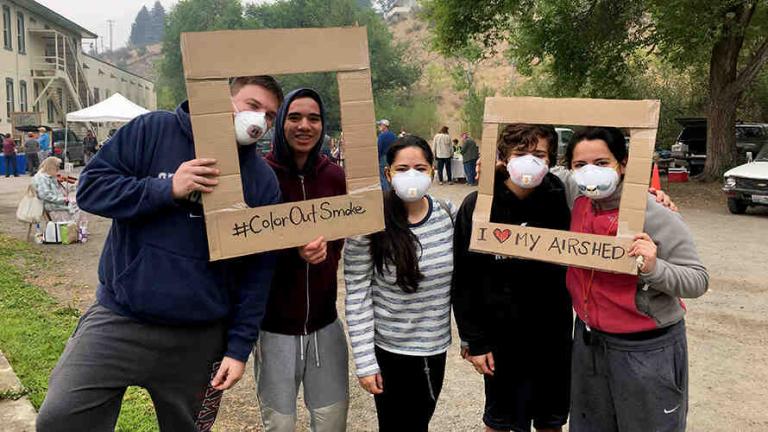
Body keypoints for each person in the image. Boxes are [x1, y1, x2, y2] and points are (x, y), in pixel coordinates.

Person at [36, 75, 284, 432]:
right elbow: (91, 189)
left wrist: (238, 346)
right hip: (121, 318)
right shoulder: (153, 130)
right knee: (61, 418)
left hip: (198, 335)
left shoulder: (261, 180)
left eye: (270, 116)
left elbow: (258, 272)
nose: (260, 121)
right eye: (253, 106)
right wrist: (166, 188)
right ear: (221, 100)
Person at [563, 127, 708, 432]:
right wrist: (493, 170)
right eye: (580, 165)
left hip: (646, 349)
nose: (590, 172)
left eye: (602, 163)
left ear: (623, 163)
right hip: (589, 342)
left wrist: (654, 268)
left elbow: (697, 280)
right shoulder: (576, 195)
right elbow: (531, 170)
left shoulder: (653, 212)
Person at [453, 124, 572, 432]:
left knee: (551, 421)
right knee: (500, 420)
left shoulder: (560, 196)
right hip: (500, 337)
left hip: (552, 336)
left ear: (551, 159)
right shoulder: (477, 205)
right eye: (520, 153)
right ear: (504, 158)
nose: (529, 161)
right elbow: (465, 277)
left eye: (538, 154)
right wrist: (474, 340)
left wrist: (651, 195)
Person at [345, 135, 455, 432]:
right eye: (402, 168)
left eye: (420, 168)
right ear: (388, 173)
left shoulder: (447, 215)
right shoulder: (369, 224)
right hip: (390, 352)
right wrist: (365, 362)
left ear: (433, 170)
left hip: (434, 350)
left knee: (419, 423)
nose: (412, 175)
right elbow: (357, 293)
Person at [258, 88, 349, 432]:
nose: (304, 125)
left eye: (314, 118)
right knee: (279, 424)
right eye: (294, 117)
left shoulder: (335, 178)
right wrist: (291, 249)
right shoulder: (259, 176)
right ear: (280, 122)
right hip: (273, 327)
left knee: (331, 422)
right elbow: (244, 248)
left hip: (325, 323)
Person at [32, 156, 86, 226]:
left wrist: (73, 186)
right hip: (53, 205)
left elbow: (60, 190)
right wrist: (64, 200)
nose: (58, 169)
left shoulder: (49, 176)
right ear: (51, 166)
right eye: (57, 166)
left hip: (57, 203)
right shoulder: (42, 178)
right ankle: (77, 228)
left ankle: (78, 229)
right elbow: (45, 195)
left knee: (80, 205)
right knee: (79, 207)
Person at [377, 119, 397, 191]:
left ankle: (386, 194)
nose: (379, 126)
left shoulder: (381, 136)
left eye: (380, 125)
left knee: (383, 177)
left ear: (385, 126)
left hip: (384, 158)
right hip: (393, 158)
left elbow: (379, 148)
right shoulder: (394, 135)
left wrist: (377, 159)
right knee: (391, 176)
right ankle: (393, 193)